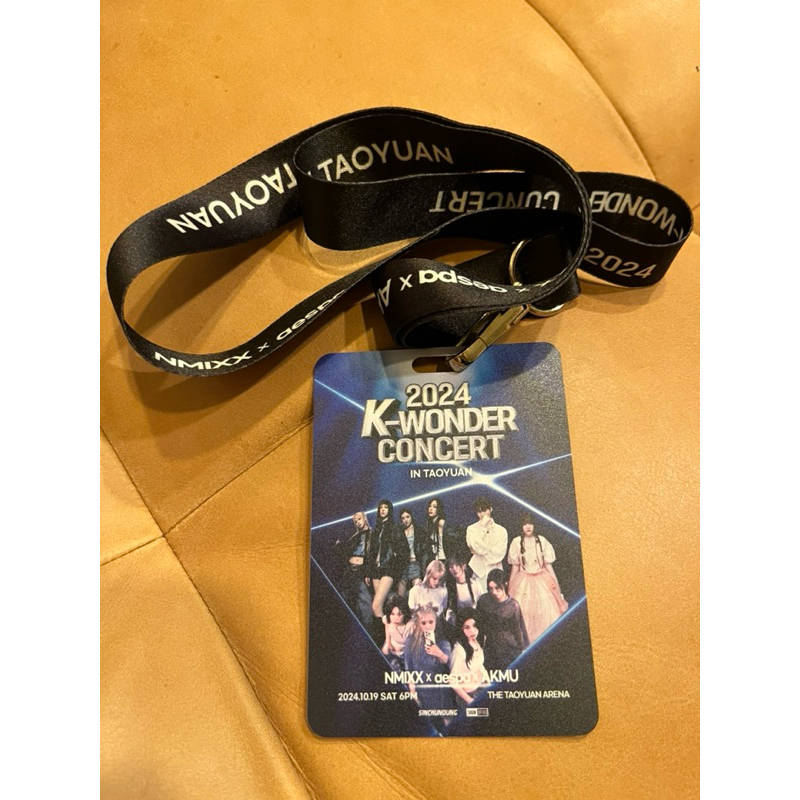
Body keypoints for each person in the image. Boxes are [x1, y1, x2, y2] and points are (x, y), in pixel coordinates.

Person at [507, 513, 568, 642]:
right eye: (525, 524)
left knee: (546, 612)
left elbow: (548, 566)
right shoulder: (517, 542)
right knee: (525, 613)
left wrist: (557, 587)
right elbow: (515, 568)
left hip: (542, 579)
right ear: (521, 526)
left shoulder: (541, 541)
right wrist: (510, 590)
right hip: (523, 580)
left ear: (534, 525)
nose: (528, 526)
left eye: (530, 523)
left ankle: (545, 643)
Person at [404, 603, 455, 716]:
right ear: (418, 624)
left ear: (436, 622)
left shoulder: (442, 641)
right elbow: (409, 670)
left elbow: (448, 662)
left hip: (440, 692)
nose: (428, 626)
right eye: (423, 623)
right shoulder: (411, 642)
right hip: (421, 691)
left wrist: (439, 653)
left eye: (431, 622)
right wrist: (413, 693)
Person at [476, 568, 529, 670]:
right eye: (490, 589)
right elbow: (479, 625)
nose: (494, 592)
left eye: (497, 588)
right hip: (491, 649)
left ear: (505, 585)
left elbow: (519, 630)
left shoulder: (513, 605)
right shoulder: (484, 601)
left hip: (509, 649)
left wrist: (523, 651)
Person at [368, 499, 407, 620]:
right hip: (376, 570)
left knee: (376, 606)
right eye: (381, 507)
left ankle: (385, 631)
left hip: (388, 568)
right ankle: (388, 630)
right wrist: (369, 572)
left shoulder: (395, 527)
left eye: (385, 507)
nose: (383, 510)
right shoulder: (376, 530)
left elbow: (404, 549)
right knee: (383, 606)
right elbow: (371, 552)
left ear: (389, 510)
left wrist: (395, 564)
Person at [335, 511, 374, 629]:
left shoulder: (373, 534)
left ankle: (368, 629)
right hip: (350, 571)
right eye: (355, 521)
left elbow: (373, 554)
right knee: (345, 596)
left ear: (365, 518)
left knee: (364, 598)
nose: (357, 522)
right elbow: (345, 552)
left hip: (361, 570)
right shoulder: (354, 538)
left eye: (359, 519)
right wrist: (338, 545)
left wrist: (368, 572)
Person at [465, 497, 508, 592]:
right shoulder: (471, 529)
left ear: (491, 509)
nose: (482, 514)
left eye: (484, 510)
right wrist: (483, 527)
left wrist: (480, 553)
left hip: (496, 571)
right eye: (479, 511)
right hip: (479, 572)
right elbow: (478, 548)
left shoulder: (501, 530)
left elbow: (499, 554)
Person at [449, 607, 488, 710]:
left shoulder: (479, 640)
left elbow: (479, 664)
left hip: (482, 689)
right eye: (467, 627)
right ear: (461, 629)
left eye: (474, 626)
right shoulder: (459, 650)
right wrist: (470, 701)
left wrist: (488, 683)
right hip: (467, 697)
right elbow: (452, 681)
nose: (472, 631)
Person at [444, 551, 483, 626]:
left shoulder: (475, 584)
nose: (454, 569)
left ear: (464, 566)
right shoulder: (449, 587)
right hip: (457, 623)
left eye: (457, 565)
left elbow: (481, 605)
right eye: (451, 567)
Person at [396, 508, 426, 596]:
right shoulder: (400, 532)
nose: (405, 520)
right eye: (403, 518)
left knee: (417, 593)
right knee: (400, 596)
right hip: (404, 565)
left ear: (411, 517)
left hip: (415, 563)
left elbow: (423, 546)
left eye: (407, 517)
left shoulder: (418, 530)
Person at [381, 594, 412, 673]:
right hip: (393, 649)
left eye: (399, 614)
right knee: (384, 652)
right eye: (392, 614)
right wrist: (388, 643)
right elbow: (387, 630)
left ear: (404, 613)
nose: (395, 618)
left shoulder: (411, 625)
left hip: (406, 651)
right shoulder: (387, 621)